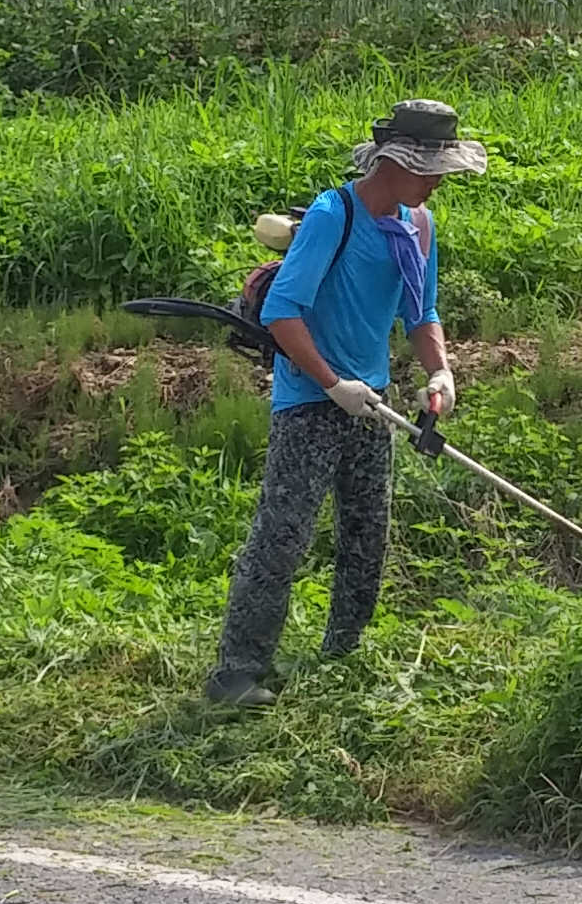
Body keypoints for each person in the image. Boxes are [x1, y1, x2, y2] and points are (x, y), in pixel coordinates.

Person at [204, 98, 485, 707]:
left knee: (367, 533)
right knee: (283, 533)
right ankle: (236, 673)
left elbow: (422, 311)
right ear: (393, 162)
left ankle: (341, 655)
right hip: (311, 400)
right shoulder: (337, 215)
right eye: (429, 167)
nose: (438, 180)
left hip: (371, 402)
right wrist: (332, 384)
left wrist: (440, 372)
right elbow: (282, 312)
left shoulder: (419, 227)